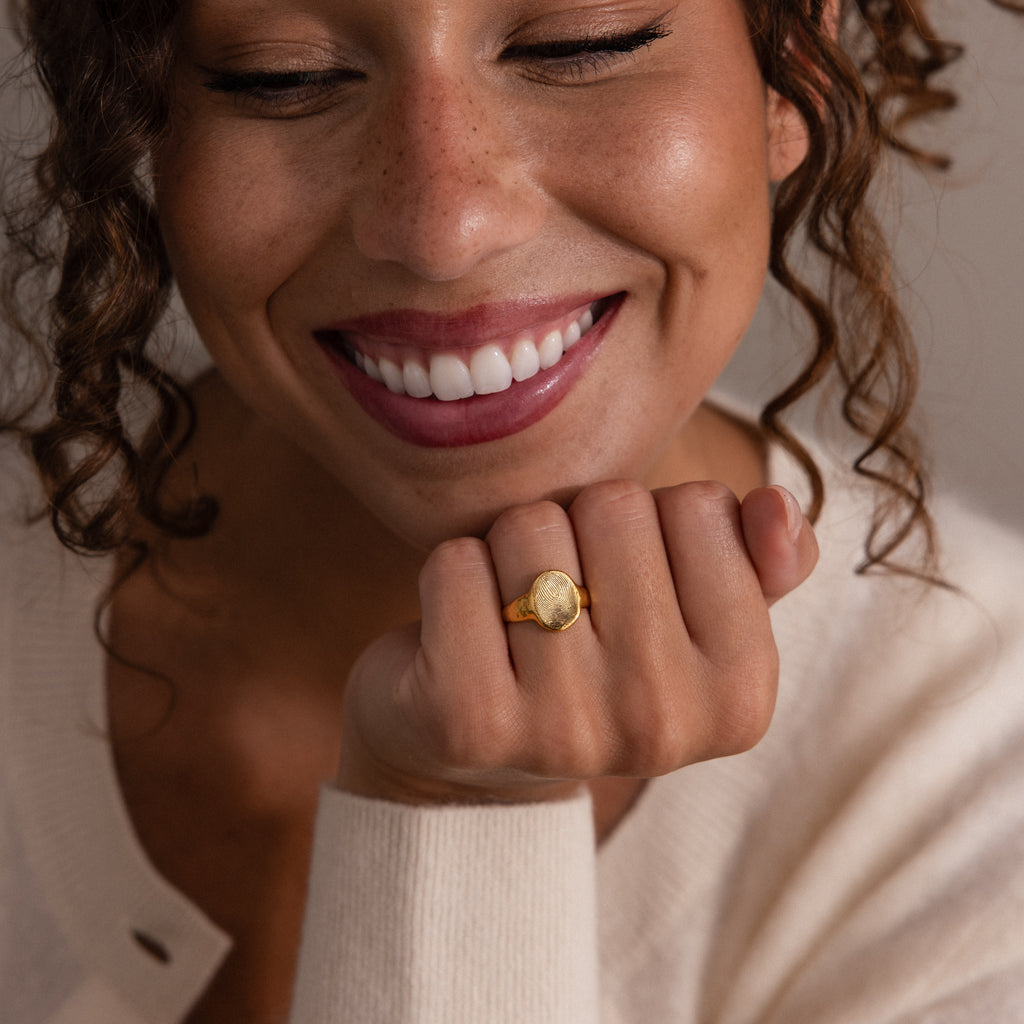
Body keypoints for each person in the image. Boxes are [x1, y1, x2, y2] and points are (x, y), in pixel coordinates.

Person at [2, 0, 1022, 1021]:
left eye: (580, 45)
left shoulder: (980, 776)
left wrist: (459, 823)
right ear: (138, 112)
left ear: (793, 60)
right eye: (282, 76)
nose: (443, 227)